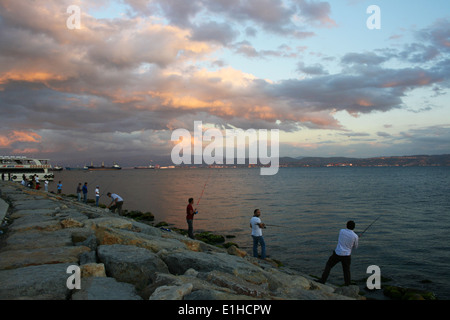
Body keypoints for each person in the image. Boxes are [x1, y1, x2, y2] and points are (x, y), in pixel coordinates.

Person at [318, 220, 359, 286]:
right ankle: (347, 284)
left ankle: (322, 280)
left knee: (328, 265)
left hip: (337, 253)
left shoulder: (341, 231)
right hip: (346, 255)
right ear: (354, 227)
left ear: (346, 225)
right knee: (346, 270)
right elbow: (355, 247)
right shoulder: (355, 236)